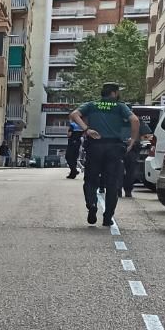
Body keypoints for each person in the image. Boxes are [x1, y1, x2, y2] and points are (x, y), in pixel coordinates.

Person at [68, 82, 141, 227]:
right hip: (114, 147)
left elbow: (74, 114)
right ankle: (108, 217)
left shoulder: (91, 105)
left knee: (90, 180)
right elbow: (135, 120)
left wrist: (87, 129)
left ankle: (92, 204)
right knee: (112, 184)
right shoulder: (120, 106)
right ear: (114, 93)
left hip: (95, 146)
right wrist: (132, 140)